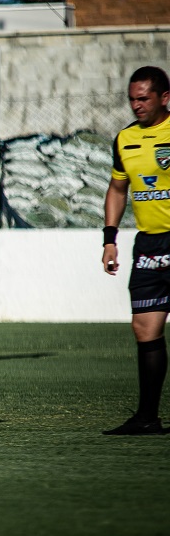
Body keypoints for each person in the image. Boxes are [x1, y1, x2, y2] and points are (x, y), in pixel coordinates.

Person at [101, 65, 170, 435]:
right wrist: (110, 238)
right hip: (149, 243)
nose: (136, 105)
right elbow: (117, 189)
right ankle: (147, 418)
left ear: (164, 97)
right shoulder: (125, 139)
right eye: (132, 99)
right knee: (145, 327)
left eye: (143, 98)